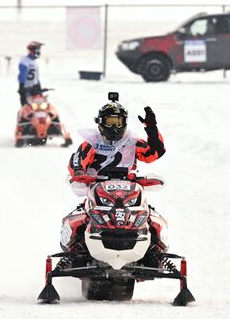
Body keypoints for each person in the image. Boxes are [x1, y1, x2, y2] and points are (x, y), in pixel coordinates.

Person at [60, 93, 166, 253]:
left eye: (118, 122)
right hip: (98, 188)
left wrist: (151, 128)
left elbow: (155, 152)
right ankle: (75, 248)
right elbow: (77, 160)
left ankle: (155, 249)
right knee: (79, 218)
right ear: (101, 123)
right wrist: (79, 171)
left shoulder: (133, 141)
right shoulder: (92, 142)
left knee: (152, 217)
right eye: (110, 122)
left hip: (129, 189)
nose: (115, 127)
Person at [18, 41, 43, 106]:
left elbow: (36, 77)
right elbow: (22, 76)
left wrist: (39, 88)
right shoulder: (25, 61)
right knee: (27, 108)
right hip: (26, 89)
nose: (39, 52)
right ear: (32, 51)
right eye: (37, 50)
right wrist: (21, 87)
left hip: (35, 89)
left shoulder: (34, 61)